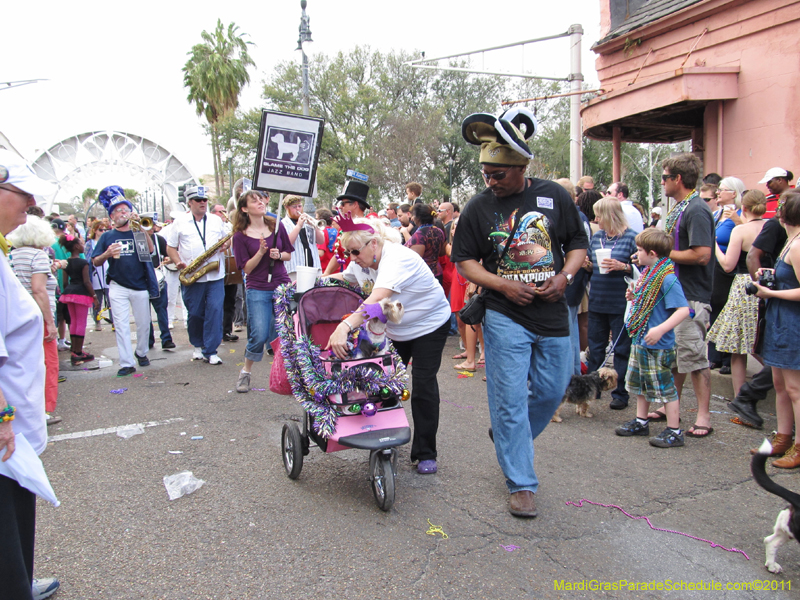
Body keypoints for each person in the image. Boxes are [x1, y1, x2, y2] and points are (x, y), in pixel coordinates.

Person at [452, 109, 588, 517]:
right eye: (485, 174)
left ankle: (508, 433)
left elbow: (578, 243)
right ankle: (521, 482)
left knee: (552, 388)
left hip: (552, 312)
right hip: (503, 315)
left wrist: (565, 275)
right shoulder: (478, 208)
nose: (490, 182)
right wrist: (503, 284)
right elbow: (465, 261)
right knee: (509, 397)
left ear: (522, 167)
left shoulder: (554, 196)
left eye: (498, 175)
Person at [327, 216, 450, 475]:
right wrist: (314, 281)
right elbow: (344, 276)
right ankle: (384, 438)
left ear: (374, 243)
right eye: (348, 252)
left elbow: (377, 299)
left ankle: (426, 452)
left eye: (355, 251)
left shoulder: (397, 258)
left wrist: (345, 326)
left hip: (429, 324)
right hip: (396, 328)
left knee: (423, 385)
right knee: (382, 383)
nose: (352, 257)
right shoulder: (362, 261)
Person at [0, 149, 61, 600]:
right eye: (22, 196)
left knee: (16, 503)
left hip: (15, 411)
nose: (28, 207)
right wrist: (1, 415)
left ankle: (16, 579)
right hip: (6, 416)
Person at [615, 229, 690, 446]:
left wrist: (660, 330)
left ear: (653, 252)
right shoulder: (649, 272)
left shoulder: (667, 278)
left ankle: (675, 431)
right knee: (640, 384)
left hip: (658, 344)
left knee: (665, 388)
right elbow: (647, 299)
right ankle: (641, 421)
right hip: (641, 339)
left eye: (639, 250)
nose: (636, 254)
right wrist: (634, 296)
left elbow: (683, 310)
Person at [660, 153, 715, 437]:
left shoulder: (696, 210)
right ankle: (672, 406)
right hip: (675, 292)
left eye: (665, 177)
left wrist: (664, 253)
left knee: (694, 357)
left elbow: (703, 255)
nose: (662, 183)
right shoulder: (682, 207)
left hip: (691, 295)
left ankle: (704, 416)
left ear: (678, 179)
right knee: (675, 354)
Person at [753, 192, 800, 467]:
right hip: (781, 318)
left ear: (784, 214)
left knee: (794, 388)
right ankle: (782, 437)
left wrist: (772, 295)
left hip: (792, 321)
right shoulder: (790, 241)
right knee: (781, 385)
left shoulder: (796, 245)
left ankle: (797, 445)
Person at [92, 186, 158, 377]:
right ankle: (127, 363)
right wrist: (107, 253)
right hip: (117, 285)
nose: (124, 213)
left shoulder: (137, 233)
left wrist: (143, 228)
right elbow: (96, 261)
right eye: (119, 211)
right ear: (112, 216)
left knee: (144, 324)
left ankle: (141, 352)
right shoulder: (107, 236)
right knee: (121, 325)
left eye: (126, 210)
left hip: (140, 285)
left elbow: (150, 250)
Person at [231, 191, 293, 393]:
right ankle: (246, 373)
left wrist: (278, 254)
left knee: (287, 333)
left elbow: (288, 255)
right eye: (254, 201)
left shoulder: (276, 226)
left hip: (281, 285)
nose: (260, 202)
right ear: (244, 208)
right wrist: (260, 252)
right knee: (258, 334)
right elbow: (246, 269)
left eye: (261, 199)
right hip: (257, 288)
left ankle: (289, 376)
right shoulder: (239, 236)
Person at [707, 190, 767, 398]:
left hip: (743, 284)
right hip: (767, 284)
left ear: (745, 208)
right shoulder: (770, 227)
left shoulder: (741, 231)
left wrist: (714, 246)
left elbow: (727, 265)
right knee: (760, 340)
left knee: (738, 346)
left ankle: (740, 397)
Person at [584, 197, 638, 408]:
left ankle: (620, 393)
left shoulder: (632, 238)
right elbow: (590, 266)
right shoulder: (597, 237)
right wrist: (587, 265)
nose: (596, 219)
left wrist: (622, 266)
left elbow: (640, 269)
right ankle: (591, 390)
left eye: (599, 215)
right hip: (597, 299)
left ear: (609, 215)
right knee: (595, 348)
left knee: (622, 349)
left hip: (620, 302)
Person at [167, 186, 229, 365]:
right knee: (194, 313)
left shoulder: (217, 221)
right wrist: (178, 261)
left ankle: (211, 350)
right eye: (198, 200)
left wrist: (226, 245)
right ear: (190, 202)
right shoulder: (179, 222)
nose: (203, 203)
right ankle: (197, 345)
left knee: (215, 311)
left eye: (205, 200)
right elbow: (171, 246)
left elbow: (227, 239)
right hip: (193, 275)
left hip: (215, 274)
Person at [7, 216, 61, 425]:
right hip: (37, 318)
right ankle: (44, 410)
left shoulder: (11, 256)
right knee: (48, 364)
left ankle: (23, 410)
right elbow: (39, 290)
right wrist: (49, 322)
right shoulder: (38, 256)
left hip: (17, 317)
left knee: (24, 367)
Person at [707, 176, 746, 373]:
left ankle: (728, 357)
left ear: (733, 193)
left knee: (726, 310)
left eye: (722, 189)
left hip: (729, 269)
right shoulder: (717, 214)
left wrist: (737, 220)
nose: (718, 193)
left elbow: (748, 234)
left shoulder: (739, 214)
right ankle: (714, 355)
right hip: (713, 267)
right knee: (713, 308)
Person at [58, 234, 98, 366]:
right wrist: (94, 296)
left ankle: (74, 351)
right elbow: (86, 282)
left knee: (73, 322)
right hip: (81, 294)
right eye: (81, 244)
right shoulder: (83, 262)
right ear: (76, 246)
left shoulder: (66, 263)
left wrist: (67, 292)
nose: (83, 246)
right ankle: (79, 352)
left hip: (69, 293)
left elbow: (64, 282)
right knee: (81, 322)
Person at [322, 181, 371, 276]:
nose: (340, 206)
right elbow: (338, 255)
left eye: (343, 203)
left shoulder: (370, 228)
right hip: (349, 278)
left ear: (355, 204)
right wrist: (326, 274)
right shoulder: (342, 229)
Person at [147, 221, 176, 351]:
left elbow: (168, 255)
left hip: (158, 276)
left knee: (161, 310)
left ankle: (166, 339)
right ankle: (148, 339)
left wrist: (168, 259)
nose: (150, 228)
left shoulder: (159, 239)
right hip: (141, 280)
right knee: (144, 313)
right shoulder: (136, 240)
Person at [281, 195, 324, 281]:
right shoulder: (283, 224)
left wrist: (314, 226)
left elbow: (321, 241)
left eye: (300, 206)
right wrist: (299, 226)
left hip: (314, 267)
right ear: (287, 207)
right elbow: (287, 243)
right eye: (294, 207)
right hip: (295, 269)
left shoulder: (308, 221)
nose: (298, 209)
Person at [406, 203, 446, 284]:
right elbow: (442, 252)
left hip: (424, 276)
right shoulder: (439, 231)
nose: (412, 219)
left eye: (413, 216)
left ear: (418, 218)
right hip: (437, 273)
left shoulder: (420, 234)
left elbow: (415, 260)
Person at [84, 220, 112, 331]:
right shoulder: (89, 244)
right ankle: (97, 321)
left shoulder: (108, 241)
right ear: (95, 231)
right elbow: (86, 258)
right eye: (101, 230)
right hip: (95, 274)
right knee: (97, 300)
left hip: (107, 272)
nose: (103, 232)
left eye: (105, 230)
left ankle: (114, 321)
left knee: (111, 299)